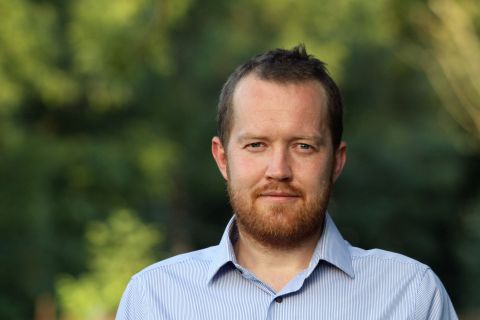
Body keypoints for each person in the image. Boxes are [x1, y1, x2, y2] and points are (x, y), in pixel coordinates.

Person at [116, 45, 457, 319]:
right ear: (222, 158)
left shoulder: (412, 296)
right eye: (256, 145)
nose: (278, 169)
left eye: (303, 146)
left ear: (336, 161)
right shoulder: (154, 299)